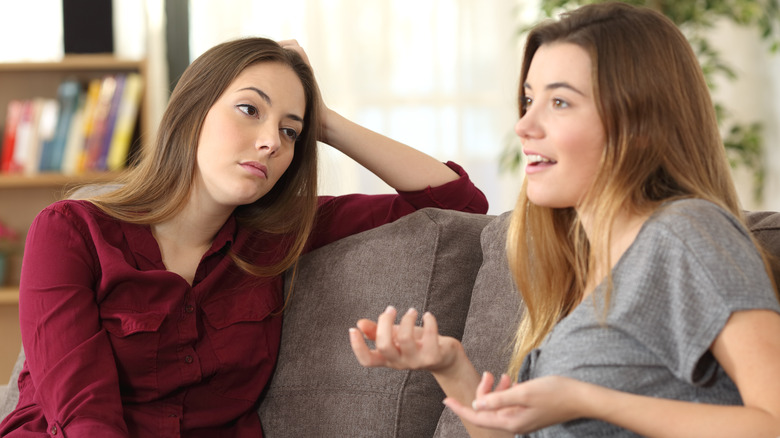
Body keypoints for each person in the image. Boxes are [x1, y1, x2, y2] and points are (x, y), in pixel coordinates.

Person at [0, 37, 487, 437]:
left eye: (290, 131)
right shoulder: (70, 230)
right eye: (250, 109)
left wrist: (325, 121)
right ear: (192, 111)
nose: (272, 141)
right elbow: (85, 417)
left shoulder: (276, 238)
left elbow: (458, 202)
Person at [349, 2, 780, 436]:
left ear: (639, 124)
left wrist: (587, 399)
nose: (524, 125)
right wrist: (448, 366)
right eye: (529, 100)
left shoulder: (687, 232)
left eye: (559, 101)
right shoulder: (586, 266)